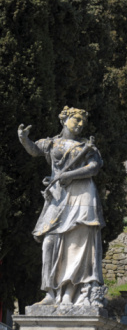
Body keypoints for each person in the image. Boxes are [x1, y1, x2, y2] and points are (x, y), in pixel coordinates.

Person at [18, 106, 106, 306]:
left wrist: (67, 175)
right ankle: (50, 292)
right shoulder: (52, 142)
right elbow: (34, 150)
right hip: (58, 198)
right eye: (77, 120)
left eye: (83, 122)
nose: (81, 124)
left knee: (77, 244)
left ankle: (70, 291)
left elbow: (93, 168)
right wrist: (23, 138)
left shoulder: (88, 147)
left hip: (82, 195)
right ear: (64, 120)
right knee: (49, 242)